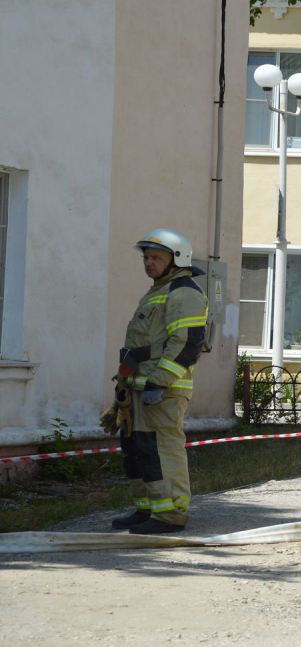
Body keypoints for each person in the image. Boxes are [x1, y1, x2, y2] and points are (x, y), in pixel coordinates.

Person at [109, 229, 209, 535]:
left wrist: (158, 382)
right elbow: (145, 345)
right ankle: (147, 509)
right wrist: (125, 384)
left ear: (176, 260)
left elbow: (186, 344)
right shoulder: (158, 291)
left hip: (162, 391)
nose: (148, 263)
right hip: (139, 388)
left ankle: (170, 515)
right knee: (138, 449)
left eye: (155, 258)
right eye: (146, 257)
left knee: (161, 450)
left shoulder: (184, 293)